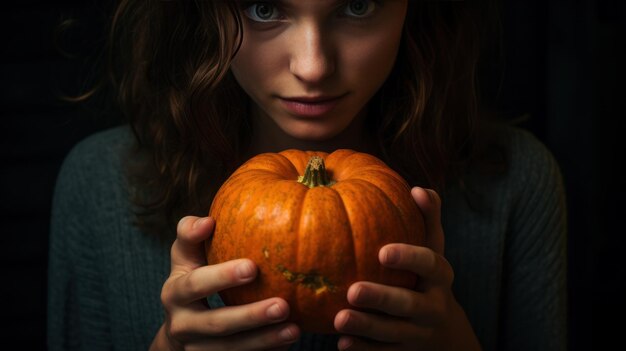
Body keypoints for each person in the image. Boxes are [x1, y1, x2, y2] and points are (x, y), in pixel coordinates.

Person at [47, 0, 568, 350]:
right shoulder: (98, 184)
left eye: (358, 5)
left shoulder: (516, 180)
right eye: (264, 8)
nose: (313, 66)